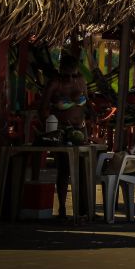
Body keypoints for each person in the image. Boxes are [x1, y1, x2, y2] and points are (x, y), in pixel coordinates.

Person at [40, 53, 91, 220]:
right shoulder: (55, 83)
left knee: (83, 168)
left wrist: (92, 113)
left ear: (77, 72)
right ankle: (62, 206)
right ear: (60, 71)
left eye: (73, 75)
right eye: (66, 75)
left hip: (80, 129)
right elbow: (43, 109)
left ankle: (83, 209)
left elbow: (86, 103)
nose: (70, 79)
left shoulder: (81, 81)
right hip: (62, 129)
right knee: (63, 169)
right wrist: (51, 125)